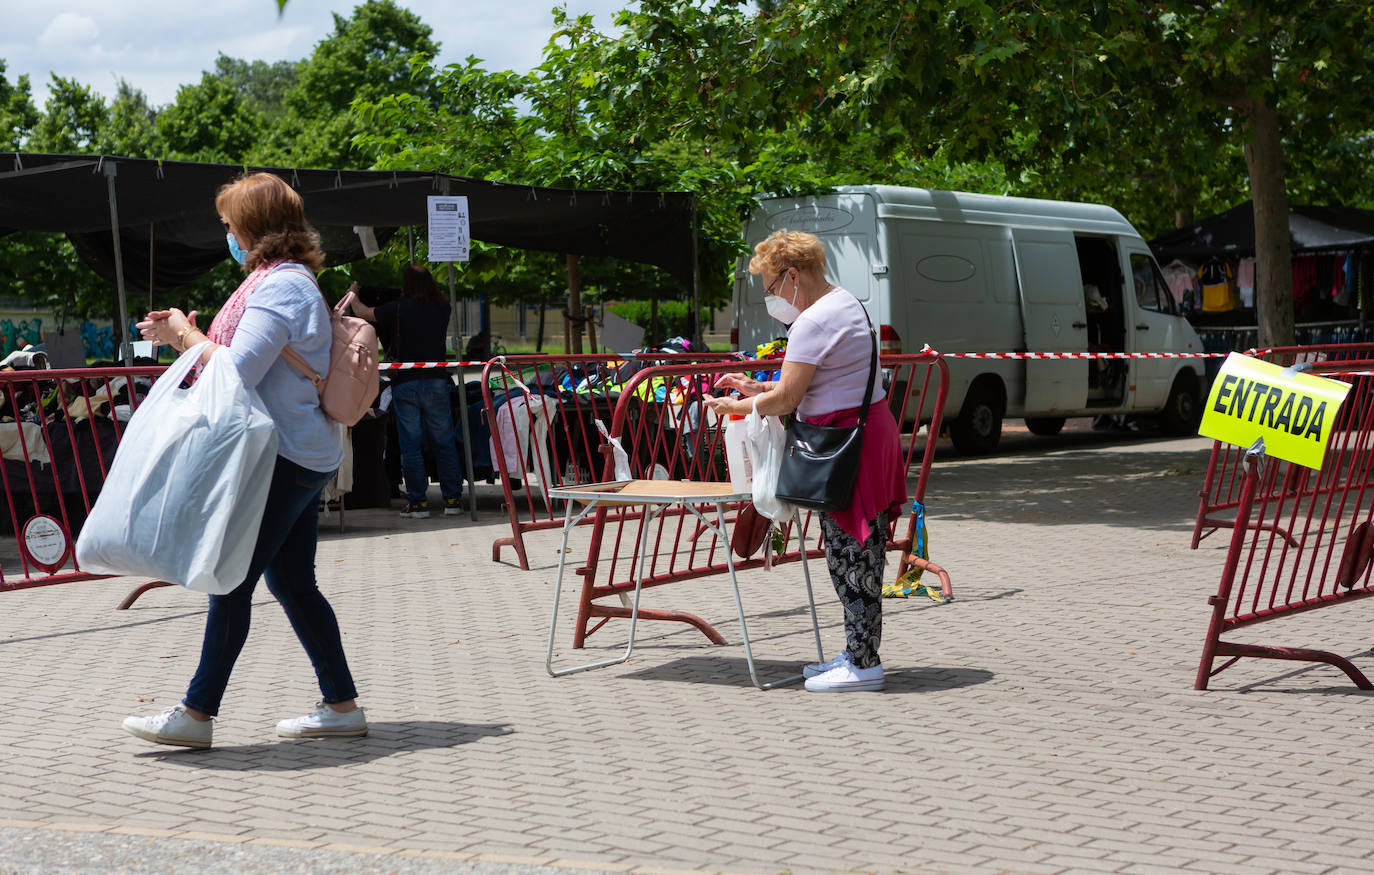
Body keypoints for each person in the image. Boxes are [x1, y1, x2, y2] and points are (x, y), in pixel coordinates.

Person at [124, 173, 365, 748]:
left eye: (230, 224)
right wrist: (182, 336)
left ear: (253, 229)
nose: (225, 233)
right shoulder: (284, 282)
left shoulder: (280, 286)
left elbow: (233, 372)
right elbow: (241, 359)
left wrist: (184, 334)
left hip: (280, 456)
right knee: (293, 585)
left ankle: (196, 714)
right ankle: (342, 705)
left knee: (230, 579)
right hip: (296, 452)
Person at [704, 230, 907, 692]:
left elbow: (791, 396)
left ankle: (862, 665)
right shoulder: (848, 304)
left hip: (845, 448)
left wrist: (734, 407)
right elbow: (821, 383)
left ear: (792, 275)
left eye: (772, 288)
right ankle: (858, 652)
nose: (772, 299)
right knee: (857, 552)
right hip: (865, 437)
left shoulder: (813, 321)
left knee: (850, 555)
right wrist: (758, 392)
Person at [349, 264, 464, 518]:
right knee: (444, 441)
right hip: (436, 381)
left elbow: (362, 312)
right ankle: (453, 500)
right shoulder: (443, 307)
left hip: (406, 382)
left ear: (407, 283)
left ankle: (418, 503)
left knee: (410, 445)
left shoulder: (398, 309)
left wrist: (354, 292)